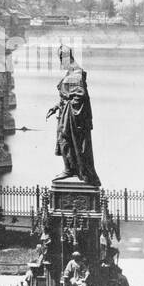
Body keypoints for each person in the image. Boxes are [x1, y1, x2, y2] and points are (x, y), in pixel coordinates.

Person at [46, 48, 100, 184]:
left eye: (61, 60)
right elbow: (68, 95)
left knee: (65, 139)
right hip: (67, 112)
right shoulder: (71, 73)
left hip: (73, 116)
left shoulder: (76, 74)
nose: (61, 64)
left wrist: (68, 110)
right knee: (64, 140)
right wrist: (57, 106)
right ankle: (69, 168)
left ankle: (70, 169)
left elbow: (80, 96)